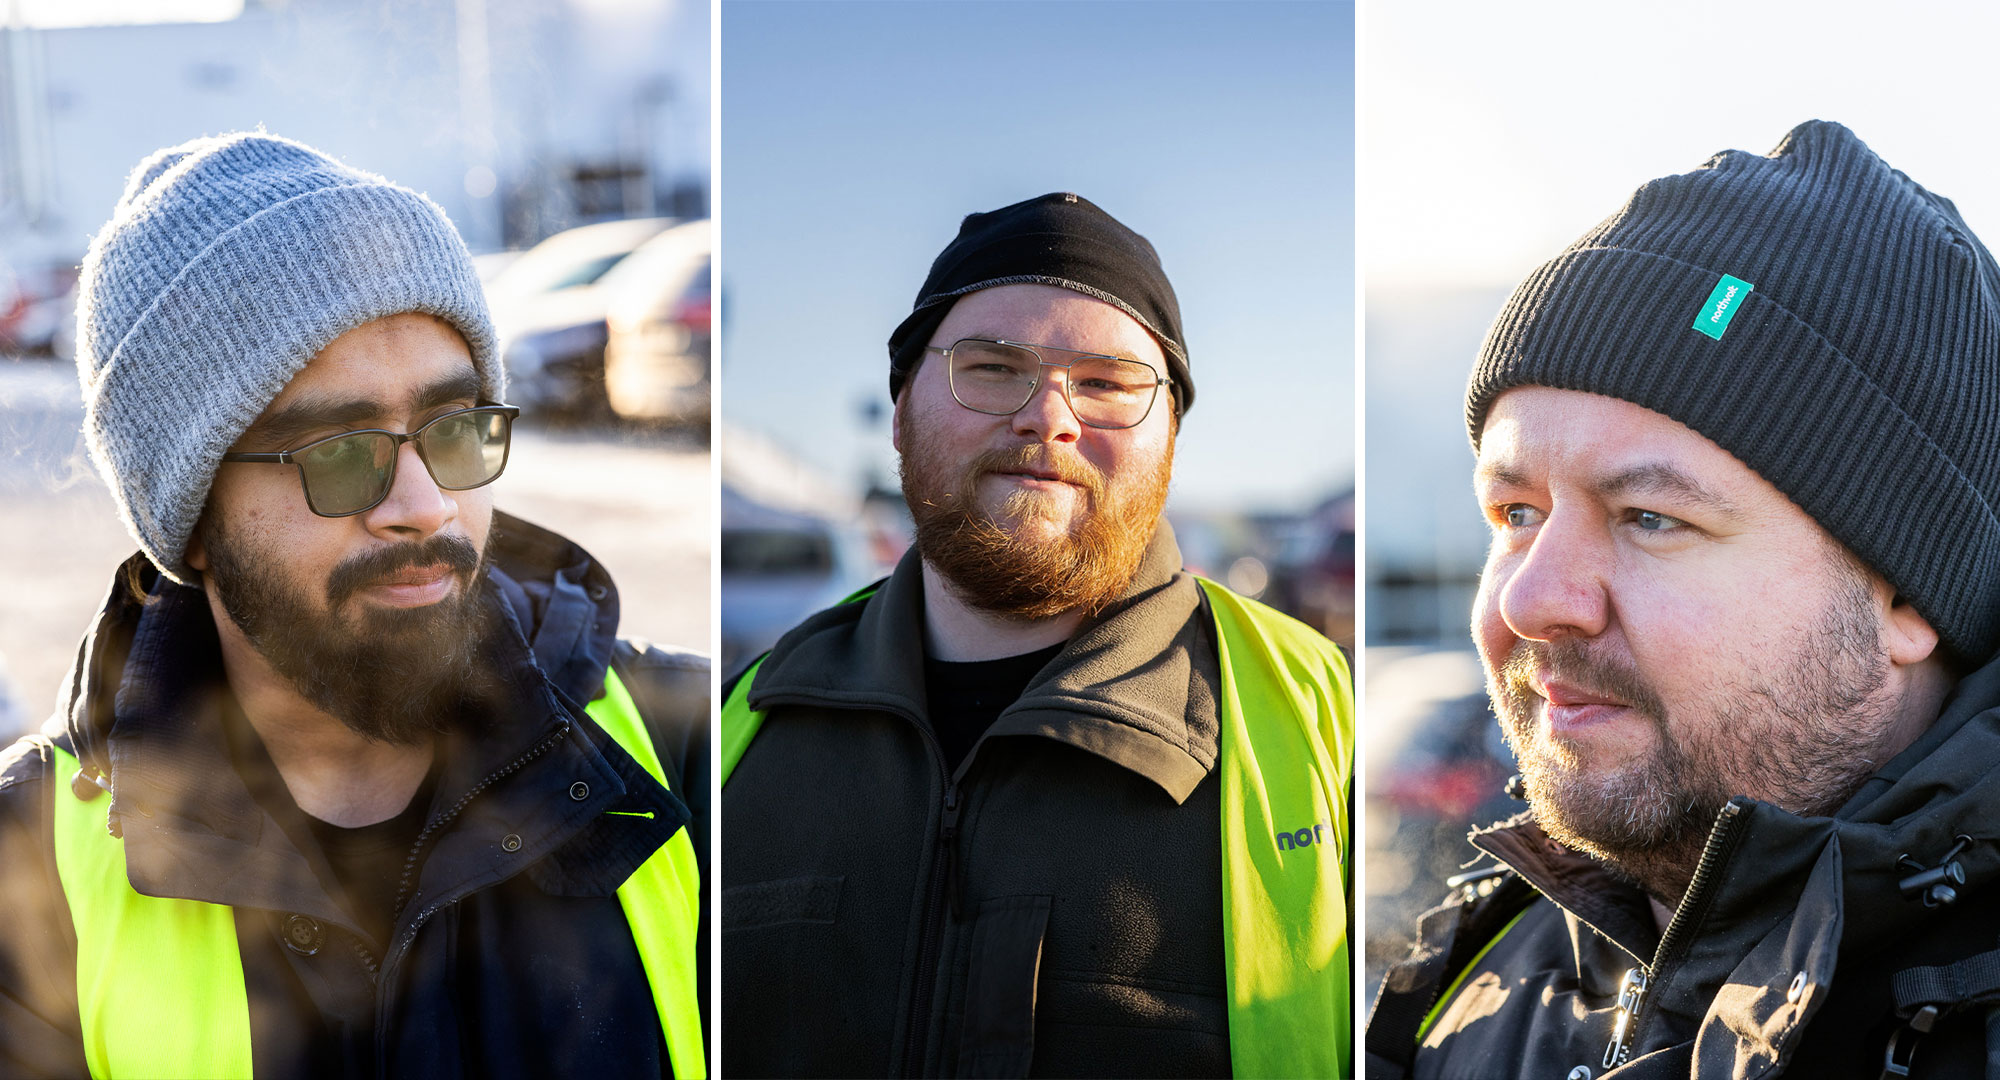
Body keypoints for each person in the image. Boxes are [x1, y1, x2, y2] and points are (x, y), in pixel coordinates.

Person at [0, 133, 708, 1078]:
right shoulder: (27, 877)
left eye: (454, 432)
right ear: (194, 519)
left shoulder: (695, 759)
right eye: (338, 451)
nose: (425, 507)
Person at [1366, 120, 2000, 1079]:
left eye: (1651, 517)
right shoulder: (1474, 987)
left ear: (1908, 593)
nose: (1535, 600)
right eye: (1516, 512)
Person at [720, 192, 1354, 1078]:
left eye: (1105, 383)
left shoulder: (1321, 715)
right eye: (990, 367)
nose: (1048, 417)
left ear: (1170, 435)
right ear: (900, 411)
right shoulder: (740, 727)